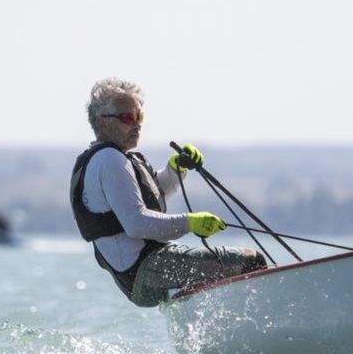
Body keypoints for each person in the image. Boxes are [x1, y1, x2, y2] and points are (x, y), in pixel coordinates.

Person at [70, 77, 266, 306]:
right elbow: (136, 224)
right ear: (102, 122)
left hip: (144, 272)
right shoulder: (110, 160)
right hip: (147, 270)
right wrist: (190, 222)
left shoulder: (111, 158)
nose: (137, 124)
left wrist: (176, 169)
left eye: (139, 116)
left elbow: (152, 195)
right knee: (252, 261)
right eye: (128, 118)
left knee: (231, 271)